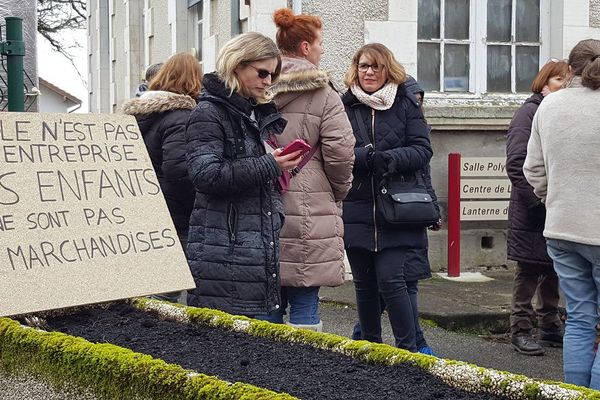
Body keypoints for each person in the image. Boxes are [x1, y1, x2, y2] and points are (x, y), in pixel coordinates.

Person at [185, 32, 303, 316]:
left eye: (272, 76)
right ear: (238, 65)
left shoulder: (252, 112)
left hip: (251, 251)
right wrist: (270, 165)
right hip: (225, 256)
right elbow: (206, 175)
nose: (267, 82)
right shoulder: (208, 113)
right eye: (262, 73)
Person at [257, 9, 355, 331]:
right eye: (320, 43)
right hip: (310, 203)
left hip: (261, 197)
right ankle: (303, 370)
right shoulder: (324, 94)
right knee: (304, 294)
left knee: (268, 299)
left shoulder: (256, 88)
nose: (322, 50)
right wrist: (337, 192)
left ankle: (262, 371)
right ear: (304, 48)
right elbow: (340, 152)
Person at [341, 43, 433, 352]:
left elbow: (423, 149)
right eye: (364, 66)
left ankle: (408, 351)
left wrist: (391, 159)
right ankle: (370, 349)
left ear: (387, 70)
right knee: (364, 286)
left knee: (393, 280)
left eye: (375, 67)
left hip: (398, 209)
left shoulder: (405, 104)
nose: (369, 72)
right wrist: (363, 158)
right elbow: (332, 151)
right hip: (356, 207)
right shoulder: (345, 105)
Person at [524, 39, 600, 388]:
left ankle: (574, 394)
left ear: (569, 70)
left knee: (581, 318)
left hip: (561, 228)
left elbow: (533, 170)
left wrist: (554, 198)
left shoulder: (549, 105)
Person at [122, 53, 201, 303]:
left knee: (161, 282)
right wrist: (198, 203)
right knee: (179, 284)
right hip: (177, 210)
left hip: (147, 207)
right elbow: (179, 170)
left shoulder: (139, 116)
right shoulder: (180, 117)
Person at [506, 59, 568, 356]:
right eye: (559, 82)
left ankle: (550, 327)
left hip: (554, 205)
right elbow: (517, 165)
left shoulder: (559, 112)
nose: (564, 88)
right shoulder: (529, 113)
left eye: (568, 82)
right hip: (532, 209)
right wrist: (538, 200)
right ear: (544, 83)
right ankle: (520, 329)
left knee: (554, 267)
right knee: (529, 270)